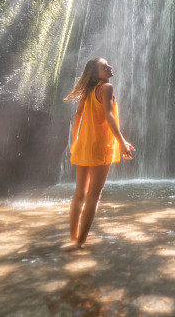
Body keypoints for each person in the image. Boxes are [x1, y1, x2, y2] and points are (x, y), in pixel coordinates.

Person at [63, 57, 136, 250]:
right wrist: (121, 143)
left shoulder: (87, 92)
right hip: (101, 146)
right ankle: (80, 244)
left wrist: (74, 142)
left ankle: (73, 237)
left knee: (79, 194)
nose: (110, 67)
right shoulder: (106, 88)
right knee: (93, 196)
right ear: (96, 74)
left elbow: (78, 115)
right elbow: (109, 116)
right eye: (105, 67)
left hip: (84, 145)